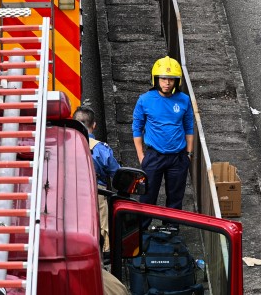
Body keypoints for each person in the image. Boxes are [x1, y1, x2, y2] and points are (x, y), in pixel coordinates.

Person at [132, 57, 194, 210]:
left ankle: (171, 230)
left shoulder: (184, 100)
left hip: (178, 157)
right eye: (163, 79)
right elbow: (136, 128)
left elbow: (189, 127)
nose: (167, 83)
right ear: (156, 79)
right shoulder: (144, 100)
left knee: (175, 198)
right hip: (154, 156)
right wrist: (141, 155)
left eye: (171, 79)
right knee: (147, 196)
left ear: (176, 81)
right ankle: (143, 229)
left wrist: (189, 154)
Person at [74, 106, 120, 253]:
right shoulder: (101, 149)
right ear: (94, 125)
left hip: (71, 190)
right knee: (102, 226)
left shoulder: (64, 145)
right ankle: (104, 256)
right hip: (97, 192)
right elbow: (117, 173)